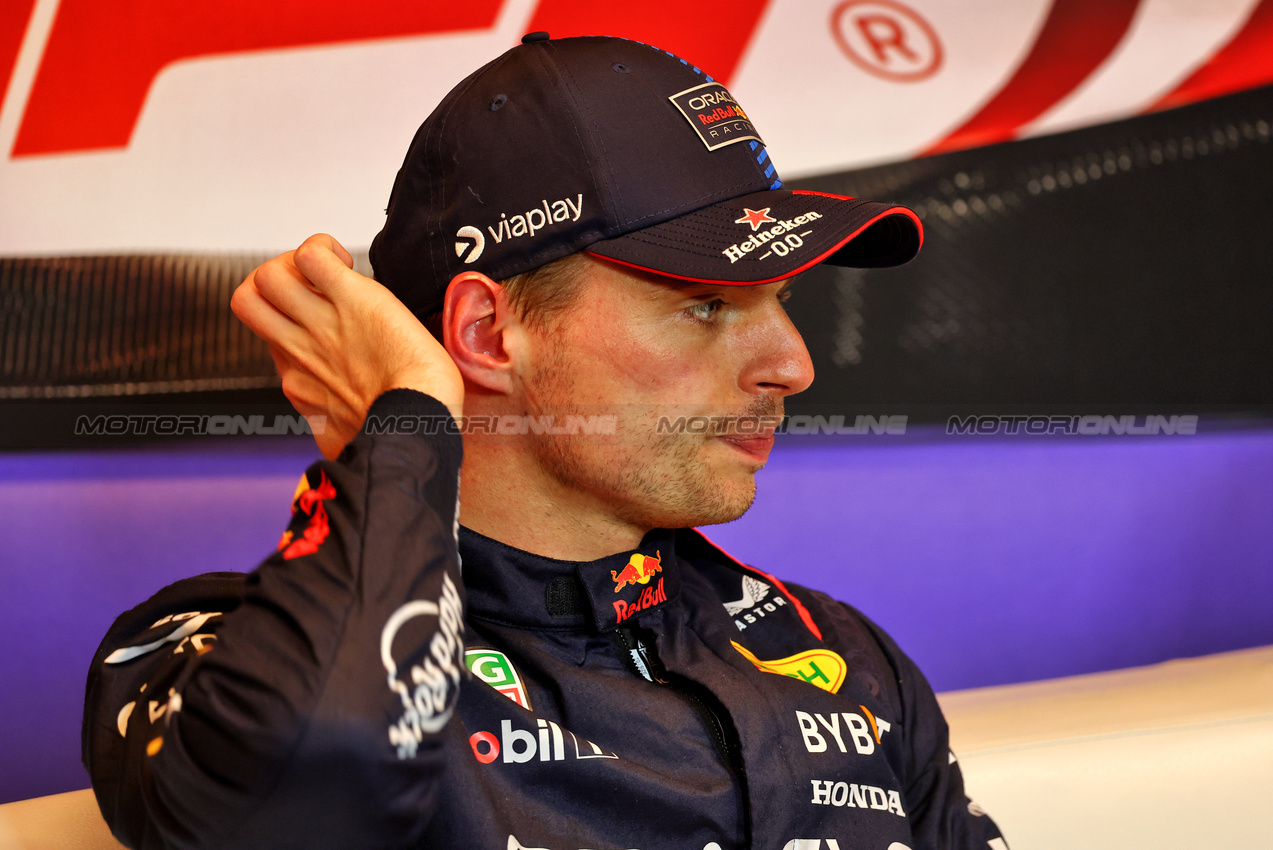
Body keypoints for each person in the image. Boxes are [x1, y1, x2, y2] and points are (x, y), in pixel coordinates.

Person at [83, 33, 1006, 850]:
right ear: (486, 335)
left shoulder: (843, 655)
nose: (792, 366)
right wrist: (402, 430)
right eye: (704, 304)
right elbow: (306, 801)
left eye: (781, 301)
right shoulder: (198, 653)